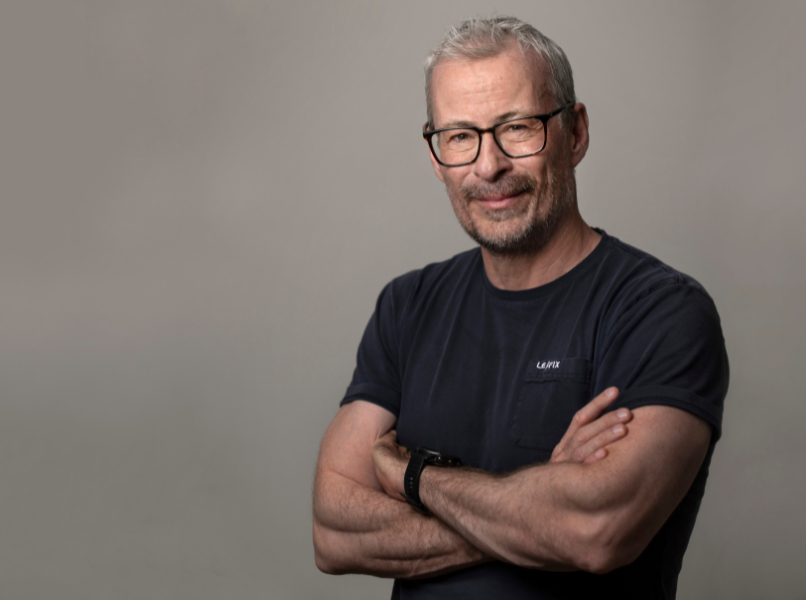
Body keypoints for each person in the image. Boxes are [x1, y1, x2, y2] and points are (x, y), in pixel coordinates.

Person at [312, 16, 729, 600]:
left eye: (517, 128)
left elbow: (595, 530)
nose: (488, 167)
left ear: (575, 133)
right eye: (460, 136)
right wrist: (538, 509)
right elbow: (333, 531)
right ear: (436, 156)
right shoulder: (407, 306)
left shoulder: (660, 312)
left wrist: (414, 475)